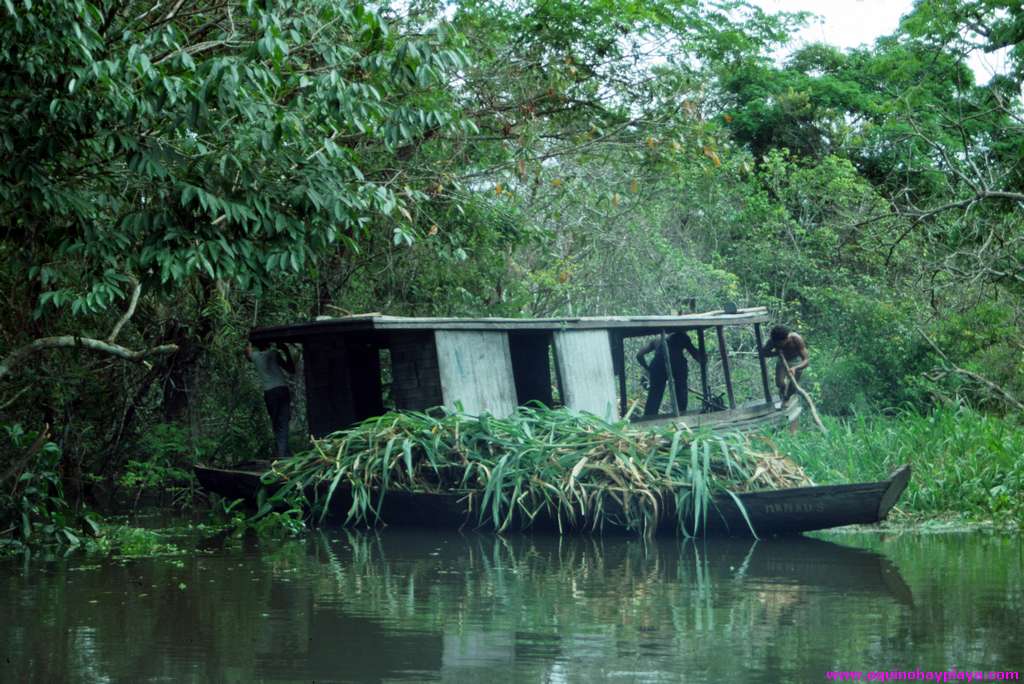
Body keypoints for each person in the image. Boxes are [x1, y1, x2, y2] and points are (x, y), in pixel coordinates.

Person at [246, 341, 296, 459]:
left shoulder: (255, 356)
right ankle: (283, 453)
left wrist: (249, 341)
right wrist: (285, 350)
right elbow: (291, 369)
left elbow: (247, 352)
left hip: (270, 392)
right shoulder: (274, 353)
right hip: (282, 389)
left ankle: (283, 452)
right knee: (283, 421)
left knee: (276, 423)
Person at [636, 332, 705, 416]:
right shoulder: (682, 336)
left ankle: (649, 417)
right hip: (673, 365)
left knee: (655, 395)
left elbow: (639, 355)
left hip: (660, 366)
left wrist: (648, 368)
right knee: (681, 390)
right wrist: (702, 359)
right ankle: (681, 414)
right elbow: (696, 355)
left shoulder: (657, 339)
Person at [762, 325, 809, 405]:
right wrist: (776, 353)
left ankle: (787, 398)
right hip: (782, 361)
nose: (779, 344)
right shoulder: (773, 341)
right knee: (780, 383)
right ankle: (782, 394)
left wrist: (795, 368)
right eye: (777, 343)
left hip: (796, 361)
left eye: (780, 343)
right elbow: (764, 353)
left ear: (787, 338)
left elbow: (806, 361)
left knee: (793, 386)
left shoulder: (796, 339)